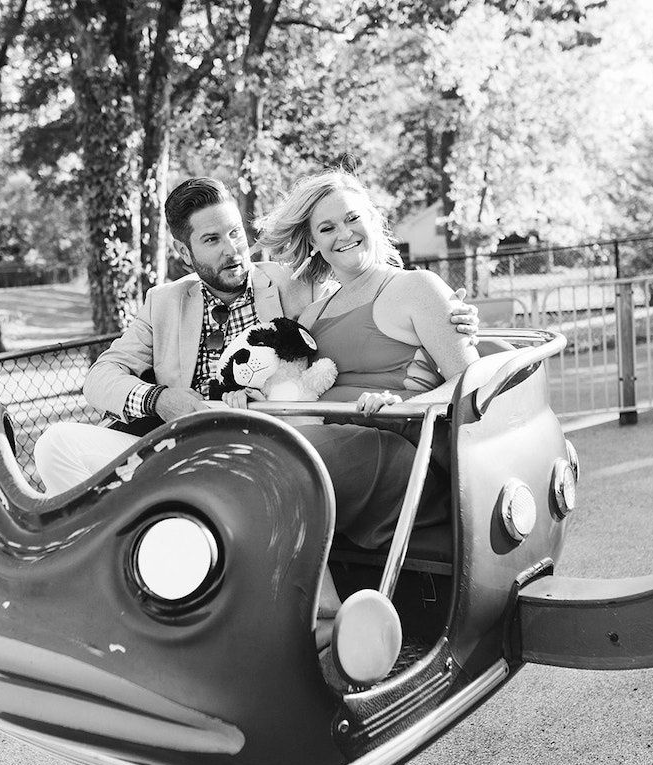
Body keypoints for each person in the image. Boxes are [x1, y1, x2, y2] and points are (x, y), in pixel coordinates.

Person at [33, 177, 477, 653]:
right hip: (184, 447)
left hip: (269, 445)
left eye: (235, 234)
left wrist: (458, 319)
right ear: (185, 254)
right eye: (211, 240)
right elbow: (102, 376)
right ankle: (123, 589)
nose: (231, 249)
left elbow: (396, 313)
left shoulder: (296, 288)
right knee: (54, 444)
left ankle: (277, 620)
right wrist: (160, 399)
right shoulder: (164, 303)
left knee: (265, 464)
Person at [256, 170, 480, 425]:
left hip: (401, 439)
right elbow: (292, 392)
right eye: (327, 228)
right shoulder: (311, 316)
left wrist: (404, 407)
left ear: (372, 219)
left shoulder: (417, 287)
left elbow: (472, 383)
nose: (344, 234)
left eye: (352, 219)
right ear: (313, 242)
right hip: (319, 442)